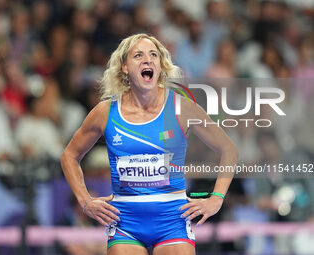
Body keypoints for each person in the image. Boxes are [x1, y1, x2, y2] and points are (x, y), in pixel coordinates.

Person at [61, 33, 238, 255]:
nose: (148, 59)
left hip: (172, 222)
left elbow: (228, 149)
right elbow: (69, 156)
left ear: (160, 66)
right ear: (124, 67)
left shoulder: (181, 108)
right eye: (139, 55)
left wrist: (216, 199)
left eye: (153, 54)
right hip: (126, 224)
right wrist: (85, 201)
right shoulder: (105, 112)